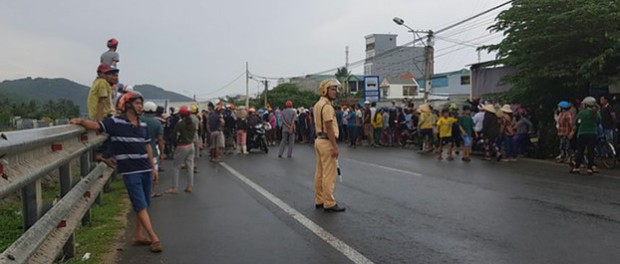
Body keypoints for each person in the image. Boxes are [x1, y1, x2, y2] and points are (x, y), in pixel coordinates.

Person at [70, 91, 162, 253]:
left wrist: (153, 168)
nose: (140, 106)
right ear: (127, 105)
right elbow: (97, 126)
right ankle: (154, 237)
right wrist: (81, 122)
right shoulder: (115, 123)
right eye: (137, 103)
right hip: (130, 171)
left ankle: (138, 235)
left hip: (146, 169)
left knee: (145, 203)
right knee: (140, 204)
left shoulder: (144, 125)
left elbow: (148, 147)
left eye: (141, 103)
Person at [313, 79, 345, 212]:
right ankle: (329, 202)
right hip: (326, 141)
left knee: (320, 172)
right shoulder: (327, 106)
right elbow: (329, 127)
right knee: (329, 174)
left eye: (335, 89)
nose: (335, 92)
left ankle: (319, 200)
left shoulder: (317, 105)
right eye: (332, 89)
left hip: (319, 140)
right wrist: (335, 146)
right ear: (325, 90)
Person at [570, 96, 601, 174]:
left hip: (582, 133)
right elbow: (599, 121)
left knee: (580, 150)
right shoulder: (596, 113)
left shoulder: (582, 113)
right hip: (593, 133)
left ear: (586, 104)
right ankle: (590, 168)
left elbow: (576, 122)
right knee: (591, 151)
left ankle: (577, 167)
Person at [169, 105, 196, 193]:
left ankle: (174, 187)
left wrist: (174, 144)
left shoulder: (180, 124)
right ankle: (190, 186)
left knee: (176, 167)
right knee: (190, 167)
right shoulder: (192, 123)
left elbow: (173, 135)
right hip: (191, 145)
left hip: (182, 146)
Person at [142, 101, 165, 175]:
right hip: (153, 152)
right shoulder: (157, 123)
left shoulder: (138, 120)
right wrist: (162, 153)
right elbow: (160, 140)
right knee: (152, 175)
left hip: (138, 152)